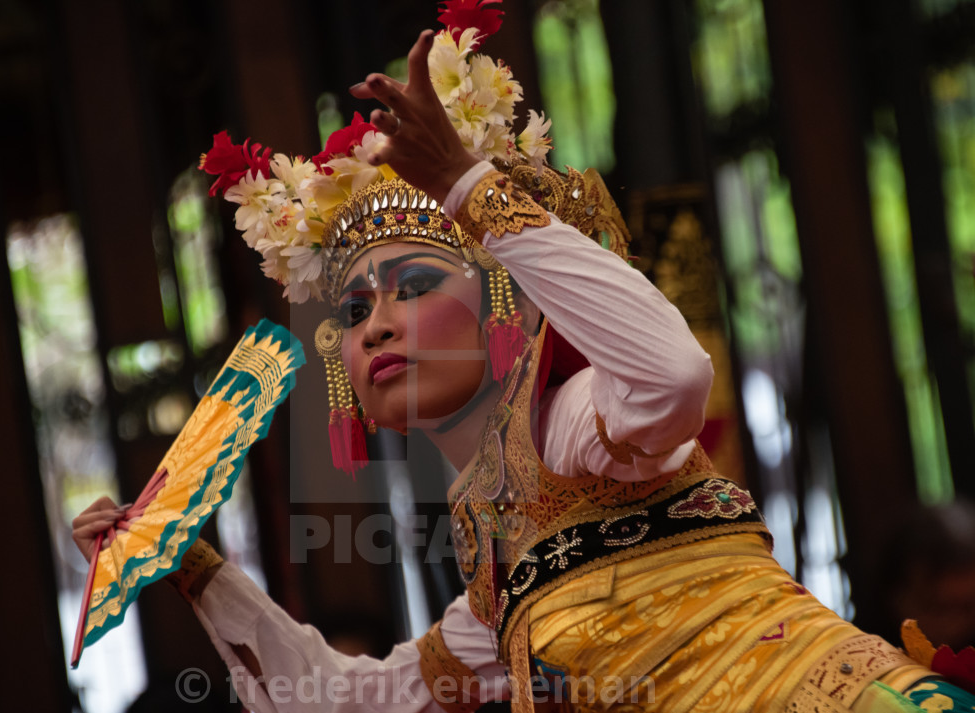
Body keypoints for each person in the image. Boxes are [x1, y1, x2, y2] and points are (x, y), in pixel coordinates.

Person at [74, 5, 973, 711]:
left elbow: (674, 376)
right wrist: (191, 561)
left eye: (415, 284)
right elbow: (348, 700)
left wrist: (470, 188)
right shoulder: (497, 557)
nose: (377, 324)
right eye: (355, 307)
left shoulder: (572, 417)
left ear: (502, 296)